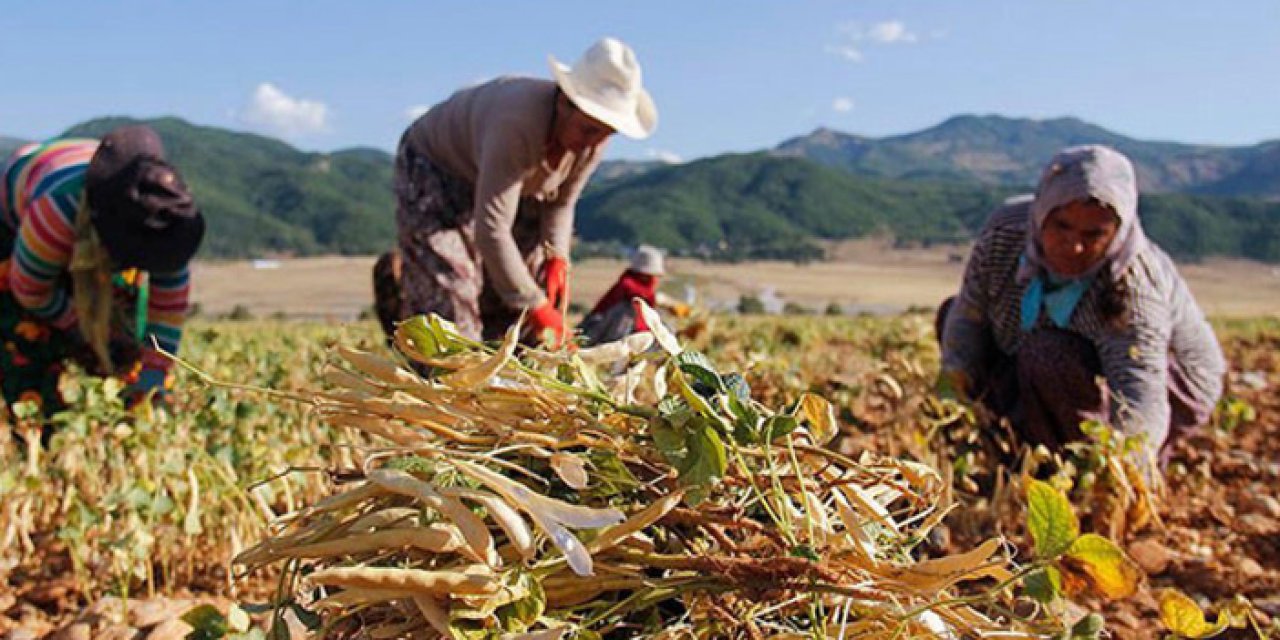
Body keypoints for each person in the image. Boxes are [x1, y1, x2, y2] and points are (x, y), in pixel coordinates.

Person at [937, 145, 1225, 466]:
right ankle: (1019, 446)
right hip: (1056, 357)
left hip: (1171, 383)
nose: (1074, 246)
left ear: (1118, 232)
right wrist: (953, 399)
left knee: (1048, 354)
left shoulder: (1132, 286)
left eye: (1094, 234)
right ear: (1042, 212)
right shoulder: (1005, 233)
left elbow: (1139, 391)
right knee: (952, 316)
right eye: (1061, 226)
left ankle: (1070, 468)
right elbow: (969, 316)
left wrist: (1122, 470)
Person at [374, 37, 657, 347]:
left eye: (605, 134)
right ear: (564, 102)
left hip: (508, 184)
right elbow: (492, 230)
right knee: (452, 289)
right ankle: (442, 367)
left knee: (523, 280)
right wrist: (534, 303)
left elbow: (561, 205)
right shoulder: (516, 124)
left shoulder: (591, 143)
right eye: (588, 130)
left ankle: (505, 369)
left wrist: (557, 259)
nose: (593, 142)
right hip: (438, 167)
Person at [0, 125, 204, 430]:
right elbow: (29, 288)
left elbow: (166, 313)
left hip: (100, 218)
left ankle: (121, 421)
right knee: (28, 337)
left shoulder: (168, 220)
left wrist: (152, 378)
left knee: (123, 340)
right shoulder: (56, 209)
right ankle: (39, 434)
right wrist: (79, 328)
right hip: (13, 224)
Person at [578, 245, 689, 345]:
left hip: (616, 330)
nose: (654, 280)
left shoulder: (641, 287)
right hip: (598, 328)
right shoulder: (626, 284)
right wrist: (667, 303)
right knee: (628, 309)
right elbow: (641, 294)